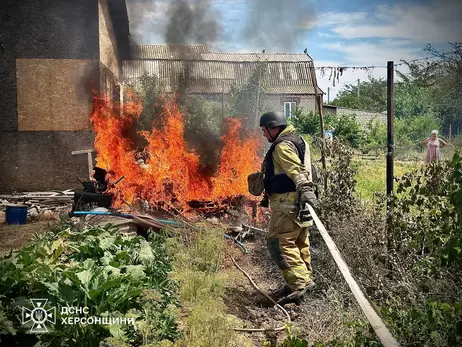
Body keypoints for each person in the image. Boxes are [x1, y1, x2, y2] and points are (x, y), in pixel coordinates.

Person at [248, 111, 319, 304]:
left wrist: (305, 189)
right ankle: (302, 282)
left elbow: (296, 170)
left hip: (288, 204)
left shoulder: (282, 146)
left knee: (278, 242)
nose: (263, 134)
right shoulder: (298, 140)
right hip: (299, 205)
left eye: (264, 130)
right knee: (299, 243)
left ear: (273, 128)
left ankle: (300, 284)